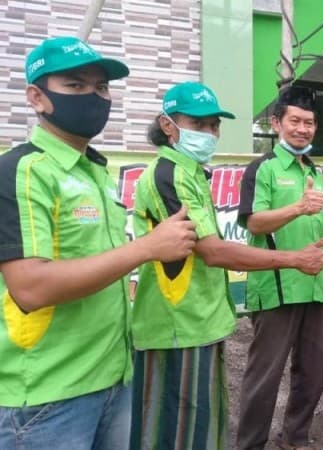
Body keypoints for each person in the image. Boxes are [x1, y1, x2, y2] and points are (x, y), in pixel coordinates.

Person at [0, 36, 197, 449]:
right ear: (36, 97)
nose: (94, 96)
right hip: (46, 398)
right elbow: (30, 287)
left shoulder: (96, 174)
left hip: (112, 380)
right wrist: (147, 248)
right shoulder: (22, 171)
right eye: (75, 85)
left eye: (101, 87)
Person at [131, 81, 323, 450]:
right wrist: (294, 257)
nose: (209, 133)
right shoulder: (171, 174)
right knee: (177, 425)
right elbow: (219, 247)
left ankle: (293, 437)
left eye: (214, 125)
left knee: (202, 421)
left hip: (208, 316)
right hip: (178, 322)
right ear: (168, 125)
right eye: (199, 124)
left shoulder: (194, 173)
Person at [236, 86, 323, 450]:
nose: (303, 129)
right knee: (265, 378)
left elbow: (318, 231)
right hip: (277, 287)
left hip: (315, 285)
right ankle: (250, 444)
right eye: (295, 121)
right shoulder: (264, 168)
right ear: (276, 123)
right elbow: (254, 222)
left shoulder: (314, 171)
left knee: (315, 371)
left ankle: (294, 439)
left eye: (309, 123)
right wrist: (297, 208)